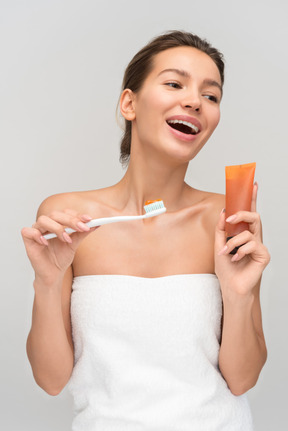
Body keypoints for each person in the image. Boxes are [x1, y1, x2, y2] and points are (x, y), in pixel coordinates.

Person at [22, 30, 270, 430]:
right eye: (175, 83)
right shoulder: (68, 218)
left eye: (211, 95)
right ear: (129, 103)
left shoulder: (226, 219)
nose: (194, 101)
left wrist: (239, 296)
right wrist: (48, 283)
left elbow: (242, 379)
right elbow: (51, 381)